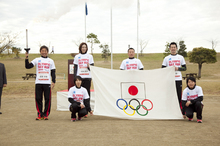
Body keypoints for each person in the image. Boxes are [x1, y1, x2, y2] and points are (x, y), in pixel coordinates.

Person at [25, 45, 56, 120]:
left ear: (47, 52)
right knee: (38, 98)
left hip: (47, 83)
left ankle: (46, 114)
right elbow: (28, 66)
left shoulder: (50, 61)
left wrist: (53, 81)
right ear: (40, 52)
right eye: (42, 51)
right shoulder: (37, 60)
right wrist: (26, 58)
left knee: (47, 99)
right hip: (38, 82)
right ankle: (39, 114)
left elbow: (53, 72)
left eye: (45, 51)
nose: (44, 52)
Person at [162, 42, 186, 107]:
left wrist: (178, 68)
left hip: (178, 79)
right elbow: (163, 69)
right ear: (169, 48)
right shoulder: (166, 58)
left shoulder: (181, 57)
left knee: (178, 95)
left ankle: (178, 109)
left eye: (174, 47)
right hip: (170, 79)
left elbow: (184, 68)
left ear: (176, 48)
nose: (173, 49)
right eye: (171, 47)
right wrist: (170, 68)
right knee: (169, 94)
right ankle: (169, 108)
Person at [74, 42, 94, 117]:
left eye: (85, 47)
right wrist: (75, 78)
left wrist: (89, 66)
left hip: (87, 78)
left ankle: (86, 111)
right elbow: (75, 68)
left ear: (86, 48)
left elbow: (92, 68)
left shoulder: (90, 56)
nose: (83, 48)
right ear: (80, 48)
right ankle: (79, 110)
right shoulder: (77, 57)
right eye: (82, 47)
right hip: (79, 78)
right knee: (79, 95)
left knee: (87, 95)